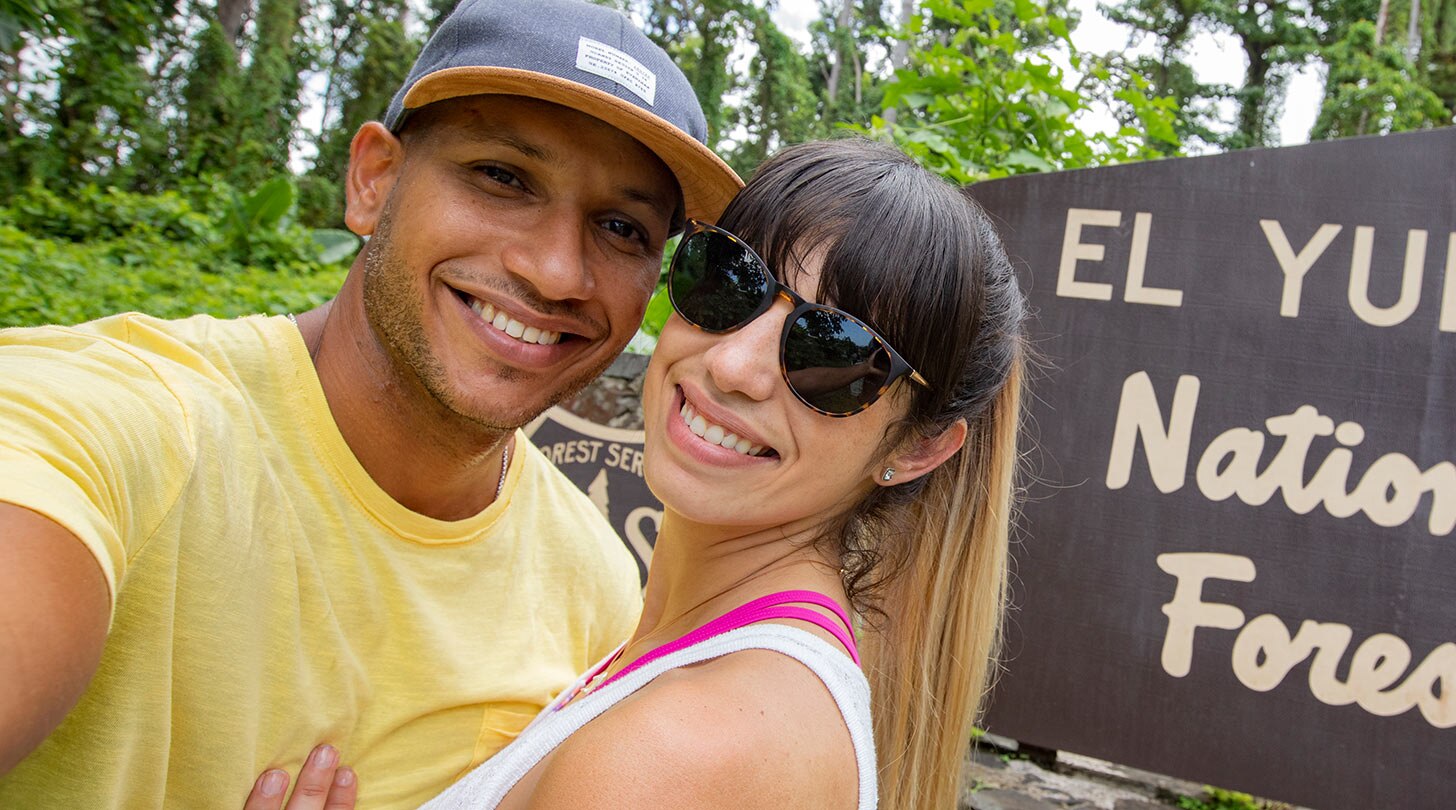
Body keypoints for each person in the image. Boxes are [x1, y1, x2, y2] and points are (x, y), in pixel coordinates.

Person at [0, 0, 741, 806]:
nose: (558, 272)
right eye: (502, 177)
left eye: (623, 228)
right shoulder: (106, 427)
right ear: (373, 181)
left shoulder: (595, 591)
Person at [249, 138, 1031, 810]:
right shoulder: (702, 669)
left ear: (918, 449)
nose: (732, 365)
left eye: (832, 354)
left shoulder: (683, 748)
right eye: (728, 282)